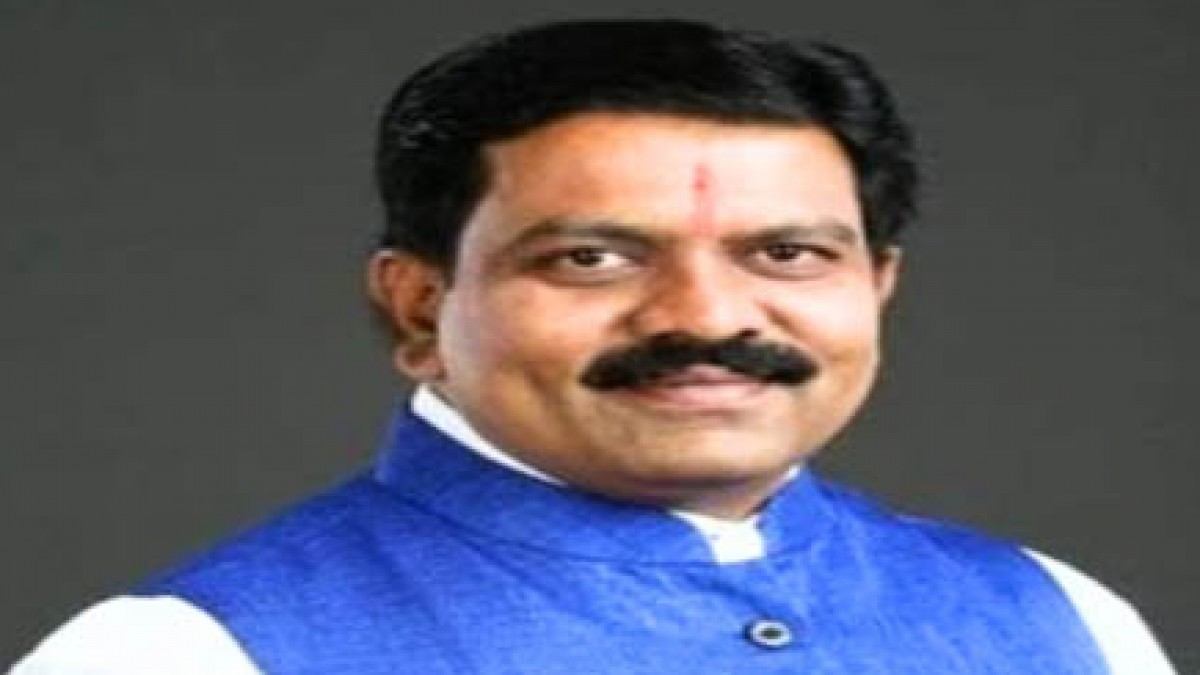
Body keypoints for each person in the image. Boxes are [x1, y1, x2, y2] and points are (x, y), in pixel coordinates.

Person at [11, 19, 1176, 674]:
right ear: (418, 309)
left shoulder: (1062, 622)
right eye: (593, 258)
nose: (704, 317)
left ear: (877, 287)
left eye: (787, 254)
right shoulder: (187, 656)